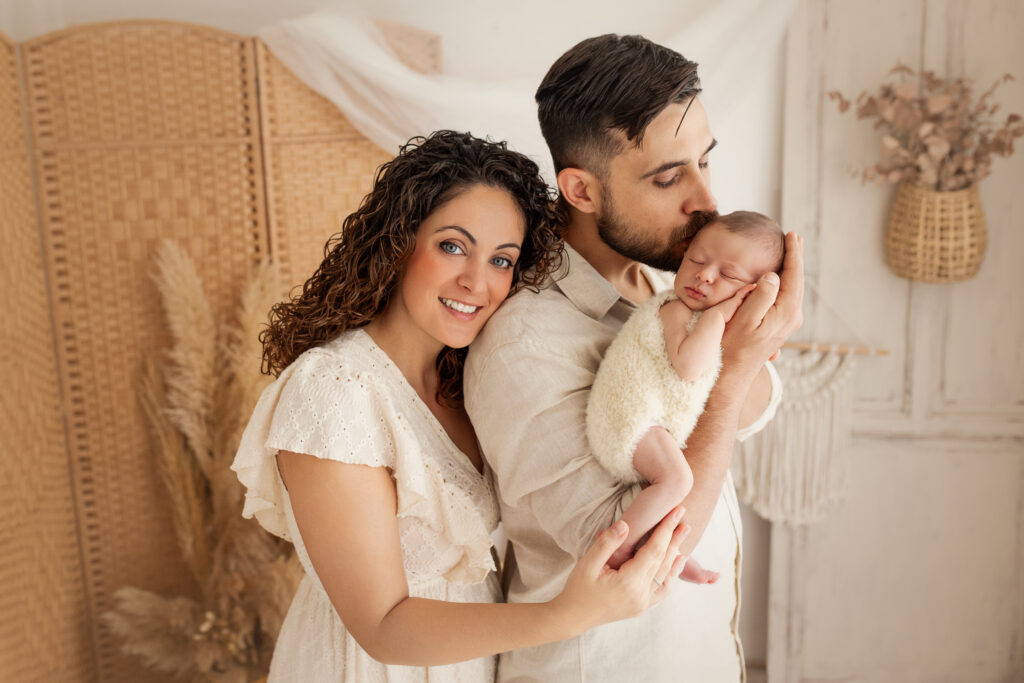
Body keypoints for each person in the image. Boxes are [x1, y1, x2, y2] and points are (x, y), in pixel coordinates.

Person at [230, 130, 690, 683]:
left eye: (501, 260)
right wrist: (568, 614)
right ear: (399, 241)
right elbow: (381, 625)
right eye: (452, 246)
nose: (476, 282)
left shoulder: (466, 381)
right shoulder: (334, 388)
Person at [464, 36, 804, 682]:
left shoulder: (667, 288)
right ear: (581, 190)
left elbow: (759, 402)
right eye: (669, 177)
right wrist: (734, 371)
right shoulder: (524, 343)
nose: (705, 200)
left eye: (705, 160)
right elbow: (645, 551)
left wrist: (743, 365)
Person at [588, 212, 785, 573]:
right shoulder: (675, 309)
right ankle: (621, 547)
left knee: (675, 488)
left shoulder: (702, 317)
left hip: (649, 423)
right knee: (678, 480)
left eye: (728, 275)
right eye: (696, 259)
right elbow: (690, 367)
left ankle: (673, 551)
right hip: (627, 419)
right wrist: (719, 315)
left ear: (755, 293)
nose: (704, 275)